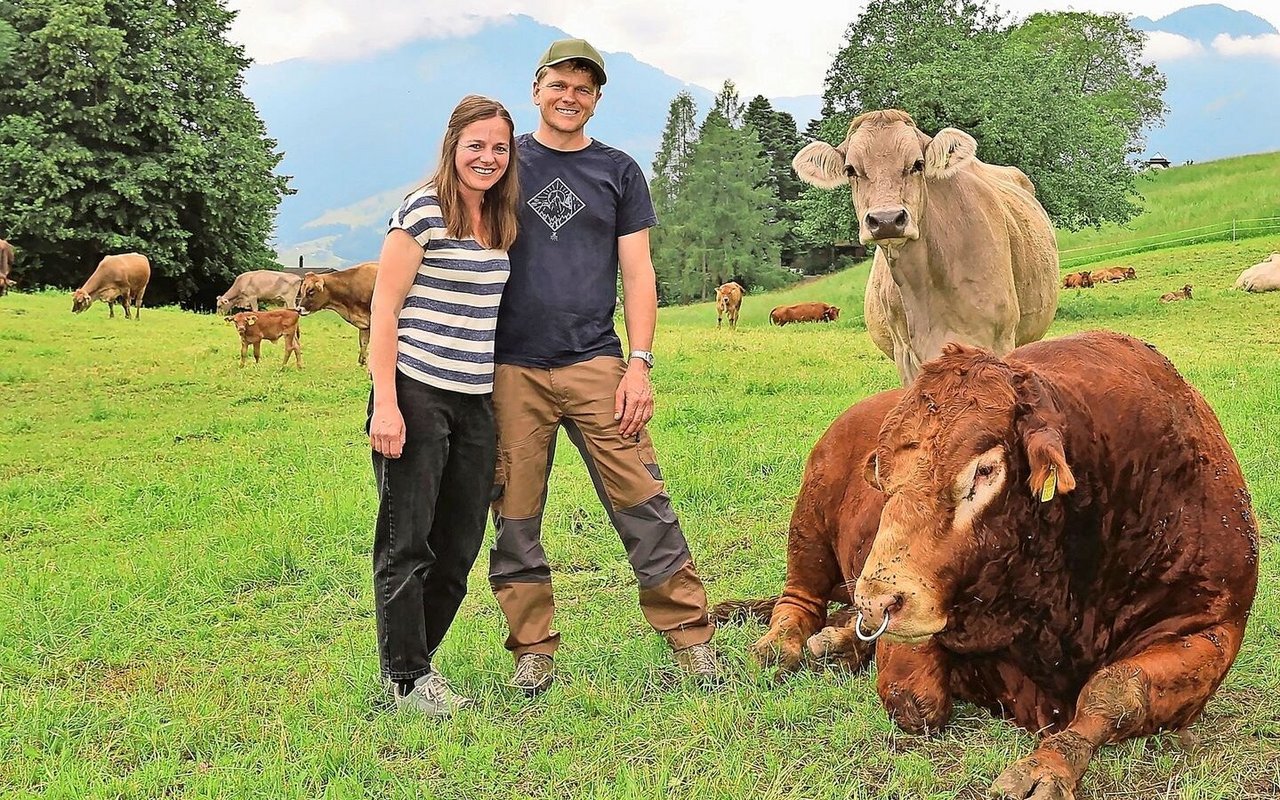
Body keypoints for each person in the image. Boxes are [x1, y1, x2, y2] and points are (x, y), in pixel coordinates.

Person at [488, 38, 720, 696]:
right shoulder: (503, 162)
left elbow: (638, 271)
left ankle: (691, 639)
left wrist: (638, 364)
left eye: (583, 89)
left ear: (596, 100)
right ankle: (532, 649)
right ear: (536, 90)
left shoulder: (617, 171)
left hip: (598, 364)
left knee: (645, 504)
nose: (569, 97)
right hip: (511, 371)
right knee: (515, 515)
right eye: (559, 84)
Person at [367, 95, 519, 716]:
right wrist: (386, 404)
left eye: (500, 148)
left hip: (475, 400)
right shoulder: (421, 211)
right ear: (453, 145)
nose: (487, 158)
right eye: (476, 145)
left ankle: (414, 665)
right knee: (408, 542)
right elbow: (385, 307)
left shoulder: (500, 218)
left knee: (459, 547)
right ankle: (406, 678)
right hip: (416, 392)